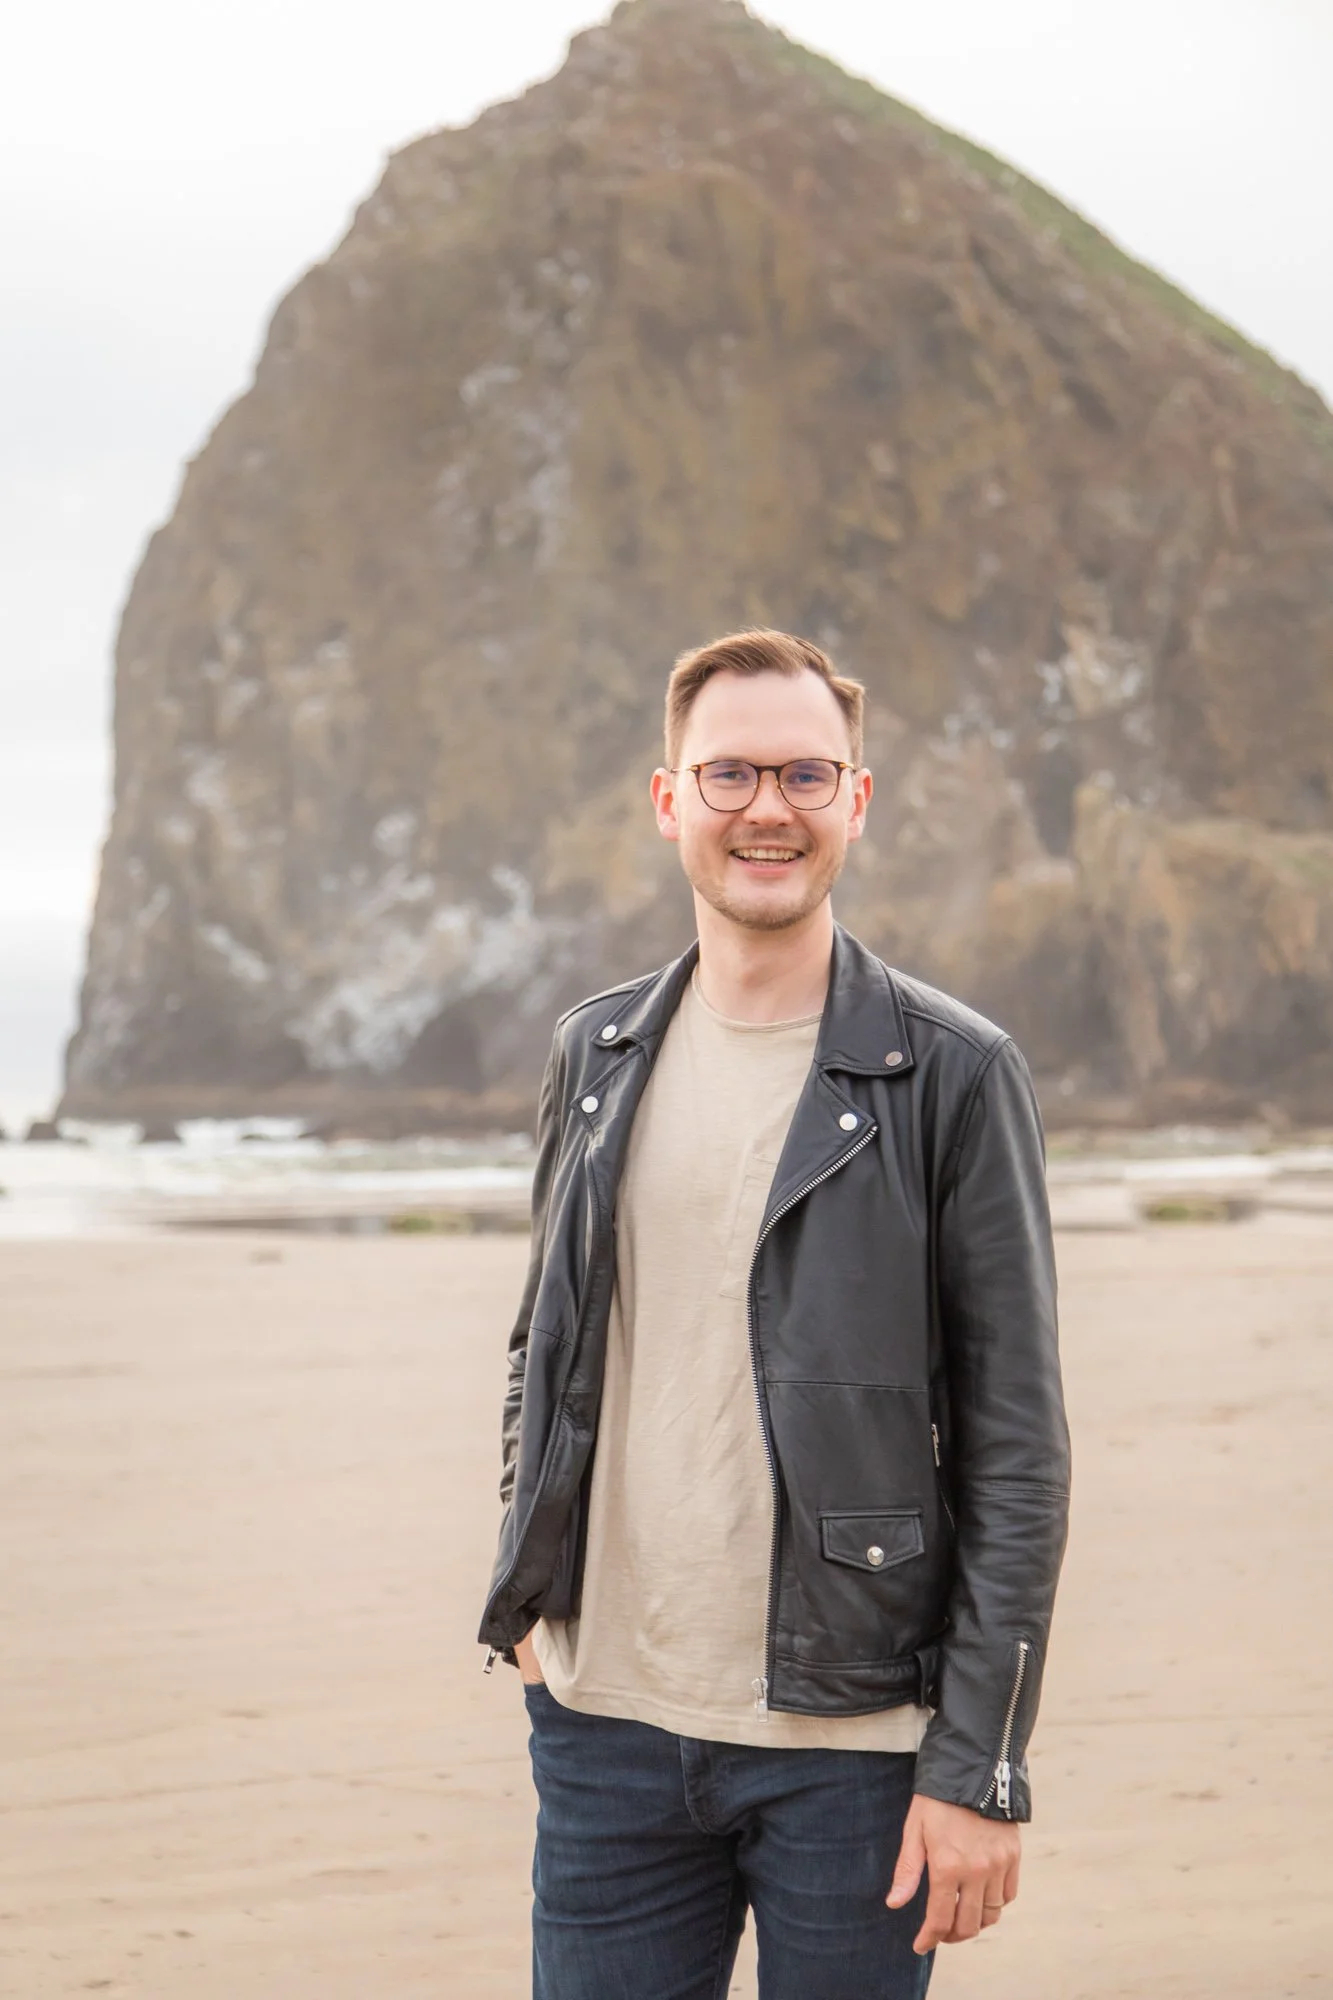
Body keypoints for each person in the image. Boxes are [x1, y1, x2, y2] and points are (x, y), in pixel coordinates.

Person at [479, 628, 1071, 1999]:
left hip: (852, 1747)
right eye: (730, 773)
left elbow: (1017, 1449)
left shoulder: (953, 1076)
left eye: (806, 775)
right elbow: (543, 1340)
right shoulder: (596, 1054)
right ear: (668, 799)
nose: (767, 809)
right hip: (603, 1724)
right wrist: (528, 1573)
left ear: (855, 801)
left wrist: (981, 1761)